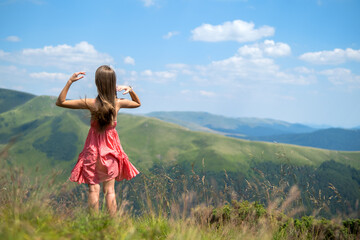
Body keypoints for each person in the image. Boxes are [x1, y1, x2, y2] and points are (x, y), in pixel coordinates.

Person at [56, 65, 141, 216]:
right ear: (113, 82)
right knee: (110, 192)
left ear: (97, 83)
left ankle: (94, 225)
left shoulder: (90, 103)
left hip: (92, 152)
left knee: (93, 190)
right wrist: (130, 89)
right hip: (111, 153)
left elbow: (61, 102)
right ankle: (113, 226)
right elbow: (137, 103)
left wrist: (70, 81)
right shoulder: (118, 103)